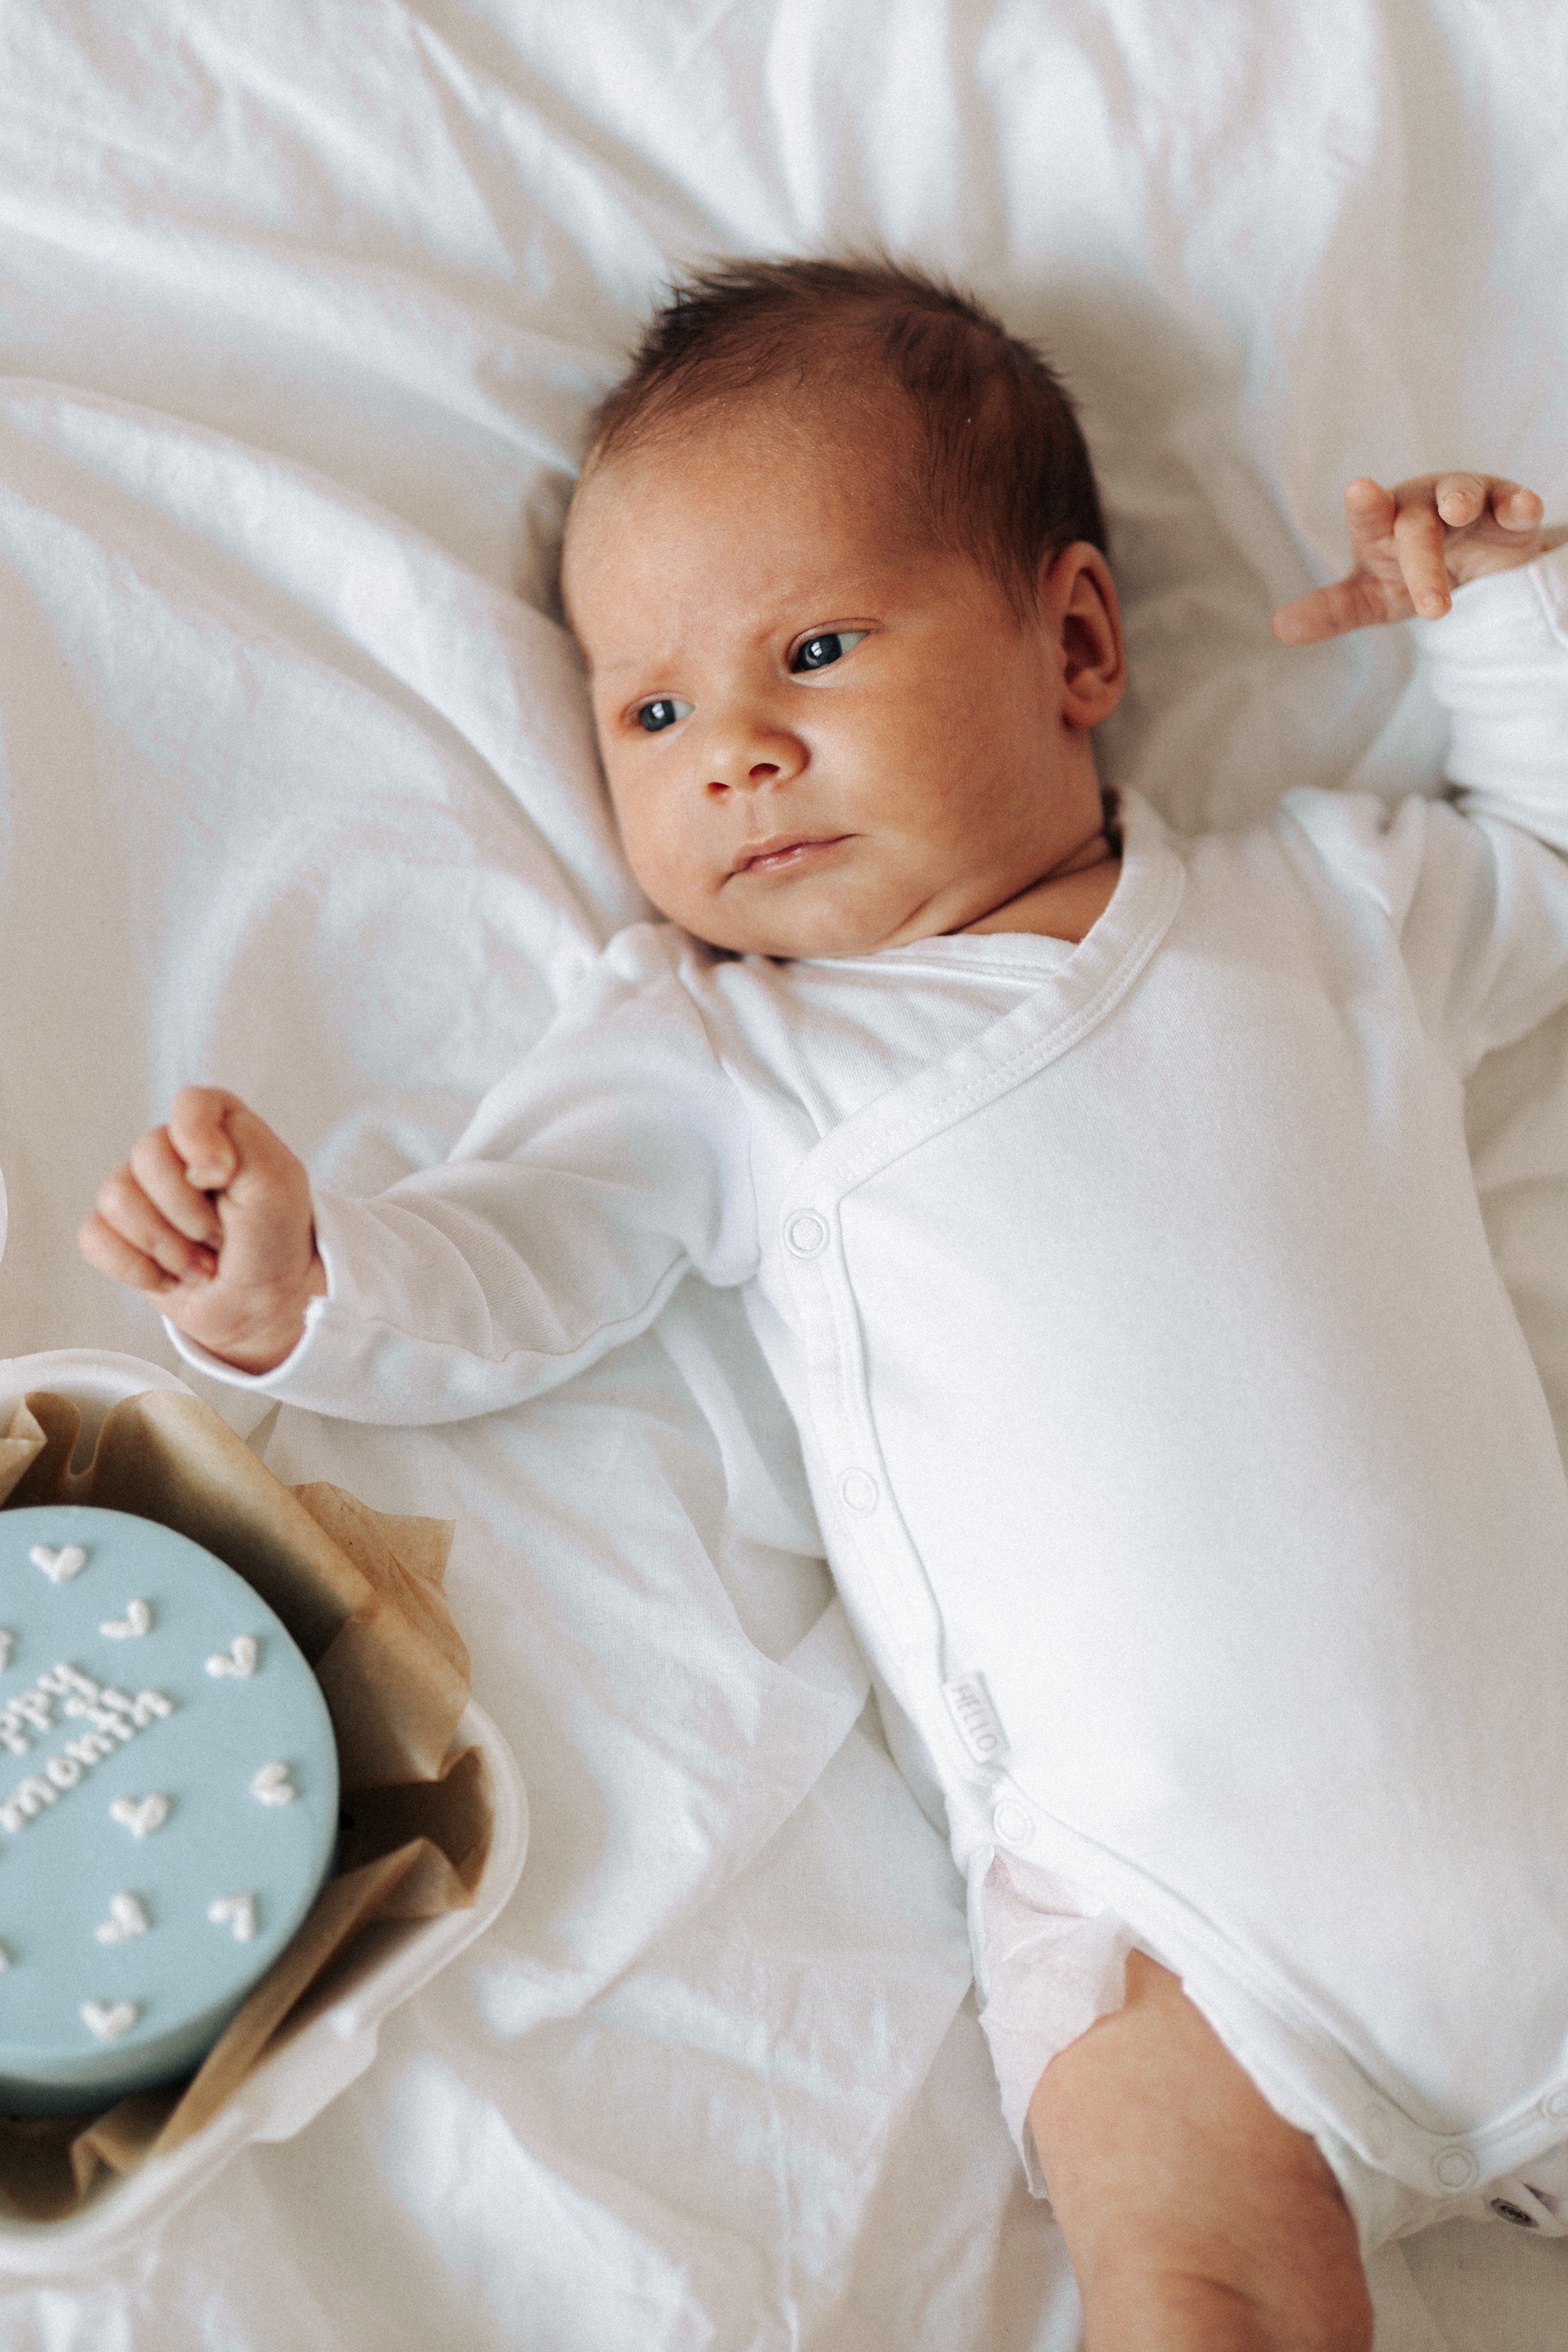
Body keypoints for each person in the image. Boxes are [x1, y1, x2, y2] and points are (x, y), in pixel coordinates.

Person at [80, 260, 1568, 2352]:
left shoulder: (1330, 909)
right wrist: (298, 1278)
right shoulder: (730, 1058)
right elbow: (516, 1255)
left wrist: (1506, 615)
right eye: (655, 713)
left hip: (1528, 1792)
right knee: (1204, 2296)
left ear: (1076, 642)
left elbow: (1549, 860)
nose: (740, 753)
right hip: (1179, 1943)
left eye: (814, 651)